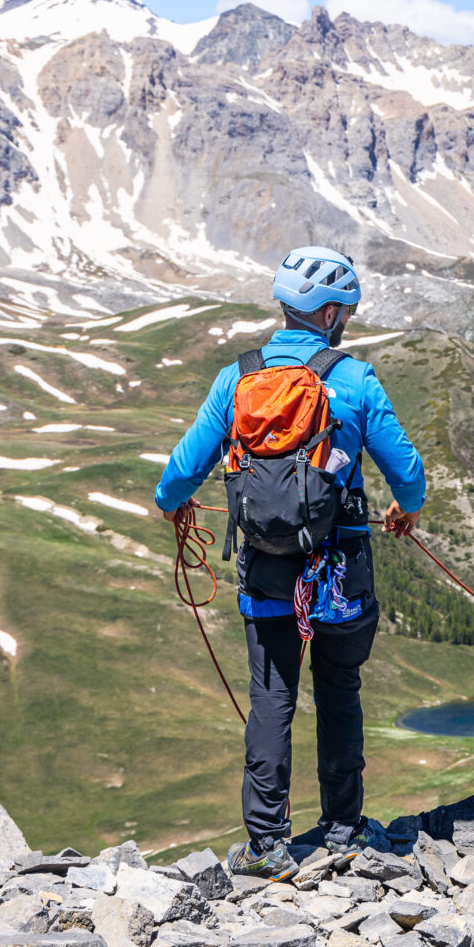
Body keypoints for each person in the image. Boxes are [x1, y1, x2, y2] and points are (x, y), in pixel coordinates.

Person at [153, 246, 426, 882]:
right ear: (328, 312)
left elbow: (178, 475)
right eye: (347, 310)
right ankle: (342, 828)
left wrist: (177, 508)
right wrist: (405, 512)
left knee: (272, 693)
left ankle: (267, 845)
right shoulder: (353, 379)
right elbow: (406, 473)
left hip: (268, 566)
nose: (349, 321)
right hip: (340, 570)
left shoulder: (237, 378)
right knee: (338, 687)